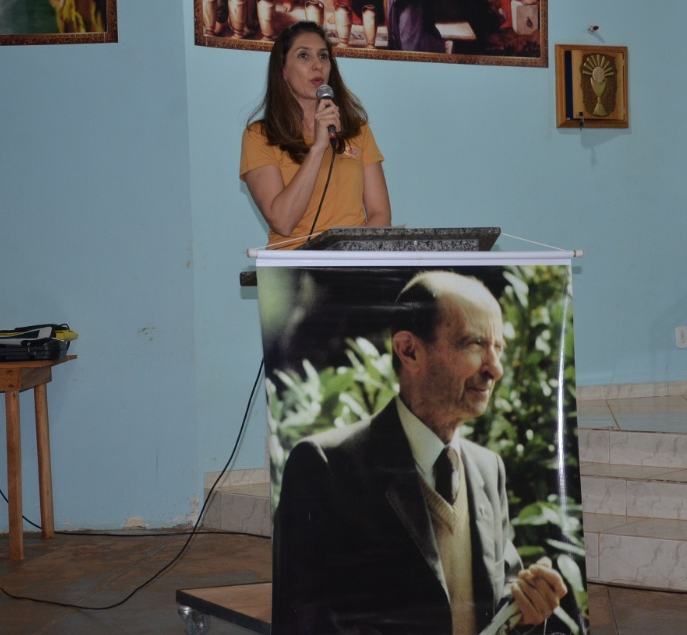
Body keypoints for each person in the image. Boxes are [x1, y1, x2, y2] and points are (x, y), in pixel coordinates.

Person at [272, 270, 569, 634]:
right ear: (409, 350)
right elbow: (302, 622)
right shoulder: (326, 467)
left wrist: (527, 608)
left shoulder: (488, 469)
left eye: (499, 347)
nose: (495, 368)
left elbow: (493, 606)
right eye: (475, 344)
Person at [240, 21, 391, 249]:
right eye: (303, 56)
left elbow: (381, 215)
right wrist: (319, 147)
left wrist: (349, 254)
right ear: (283, 71)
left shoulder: (357, 129)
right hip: (294, 272)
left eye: (323, 56)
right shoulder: (260, 136)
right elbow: (282, 222)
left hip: (354, 266)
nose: (317, 65)